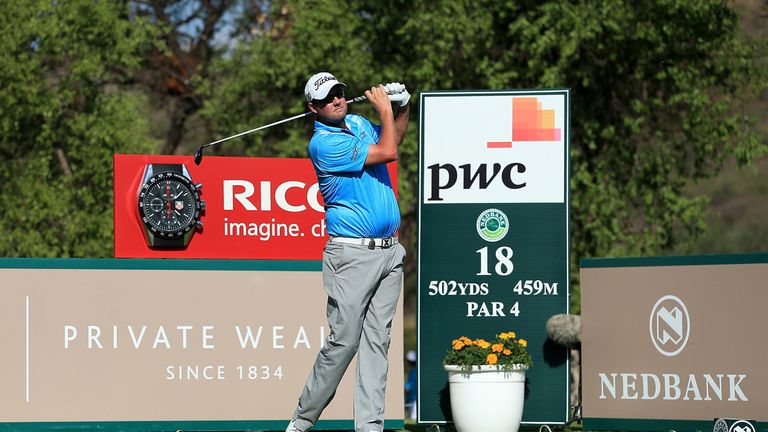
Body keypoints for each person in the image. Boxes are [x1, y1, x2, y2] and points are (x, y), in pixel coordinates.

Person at [285, 72, 410, 432]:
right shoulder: (322, 144)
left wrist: (402, 108)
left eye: (339, 93)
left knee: (377, 342)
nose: (337, 100)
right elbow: (388, 152)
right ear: (314, 108)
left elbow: (393, 139)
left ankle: (369, 427)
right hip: (352, 255)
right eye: (327, 99)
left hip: (389, 253)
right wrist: (385, 108)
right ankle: (303, 420)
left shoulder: (356, 121)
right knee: (344, 342)